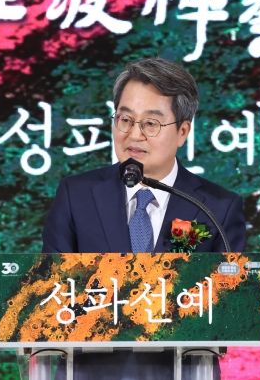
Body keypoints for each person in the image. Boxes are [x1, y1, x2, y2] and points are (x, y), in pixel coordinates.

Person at [42, 57, 246, 379]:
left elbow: (229, 307)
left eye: (151, 124)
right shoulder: (76, 195)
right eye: (125, 119)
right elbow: (50, 294)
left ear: (182, 131)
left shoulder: (217, 207)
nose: (134, 135)